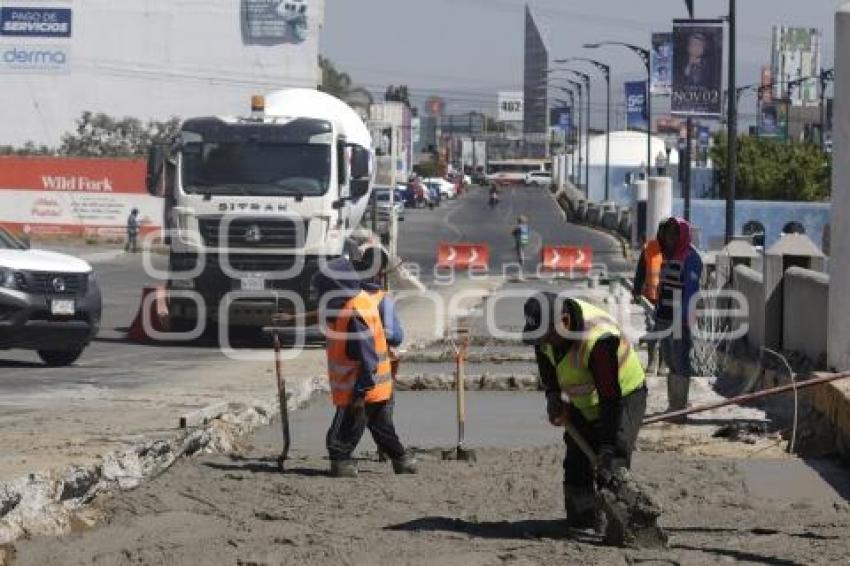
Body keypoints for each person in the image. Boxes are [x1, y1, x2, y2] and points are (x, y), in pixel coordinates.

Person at [522, 292, 647, 529]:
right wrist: (553, 395)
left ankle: (621, 524)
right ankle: (584, 517)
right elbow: (544, 360)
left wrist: (608, 447)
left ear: (565, 322)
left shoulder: (598, 341)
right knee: (577, 460)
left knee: (611, 464)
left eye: (546, 336)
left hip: (624, 395)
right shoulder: (546, 335)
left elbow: (610, 398)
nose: (543, 342)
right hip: (585, 397)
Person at [312, 257, 417, 477]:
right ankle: (403, 460)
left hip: (361, 386)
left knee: (339, 436)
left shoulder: (353, 313)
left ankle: (342, 463)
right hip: (374, 385)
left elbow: (367, 357)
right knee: (382, 429)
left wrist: (360, 393)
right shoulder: (359, 300)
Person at [656, 217, 703, 422]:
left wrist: (682, 319)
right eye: (667, 233)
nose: (670, 238)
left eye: (674, 234)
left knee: (680, 360)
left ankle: (679, 408)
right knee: (669, 359)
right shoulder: (668, 256)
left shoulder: (691, 258)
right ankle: (673, 406)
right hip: (664, 318)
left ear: (682, 235)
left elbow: (691, 292)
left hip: (679, 321)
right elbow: (663, 287)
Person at [632, 222, 666, 374]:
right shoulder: (649, 247)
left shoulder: (676, 250)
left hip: (668, 298)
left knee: (666, 330)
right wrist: (636, 291)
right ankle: (652, 361)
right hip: (650, 296)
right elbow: (640, 271)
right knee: (652, 328)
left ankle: (663, 364)